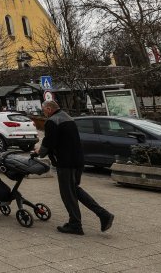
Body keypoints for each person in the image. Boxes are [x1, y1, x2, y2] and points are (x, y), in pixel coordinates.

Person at [36, 100, 114, 235]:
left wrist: (39, 152)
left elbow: (49, 141)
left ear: (49, 109)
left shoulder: (53, 121)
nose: (43, 113)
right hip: (78, 161)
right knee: (75, 190)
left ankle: (75, 224)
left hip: (66, 163)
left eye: (44, 110)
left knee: (67, 194)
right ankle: (104, 215)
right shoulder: (68, 118)